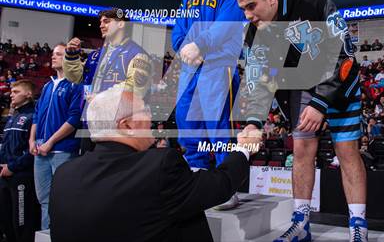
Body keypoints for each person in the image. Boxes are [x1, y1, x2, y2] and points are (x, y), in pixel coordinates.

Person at [235, 0, 368, 242]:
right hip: (299, 89)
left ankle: (358, 226)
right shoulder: (253, 32)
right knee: (302, 151)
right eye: (243, 9)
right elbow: (258, 80)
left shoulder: (315, 3)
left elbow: (344, 54)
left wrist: (320, 103)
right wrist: (253, 121)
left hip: (339, 87)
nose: (248, 15)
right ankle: (301, 223)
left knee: (347, 152)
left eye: (251, 6)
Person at [49, 88, 262, 242]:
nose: (152, 117)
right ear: (127, 125)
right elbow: (221, 185)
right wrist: (243, 148)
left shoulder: (63, 174)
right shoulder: (159, 166)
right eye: (145, 110)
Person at [171, 0, 245, 209]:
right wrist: (184, 49)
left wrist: (200, 46)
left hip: (218, 65)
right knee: (186, 122)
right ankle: (198, 177)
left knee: (218, 126)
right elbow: (178, 32)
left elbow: (227, 24)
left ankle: (228, 188)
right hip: (190, 68)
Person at [63, 8, 152, 152]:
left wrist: (100, 98)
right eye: (100, 22)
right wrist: (72, 57)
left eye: (106, 21)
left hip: (118, 129)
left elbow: (135, 87)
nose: (101, 25)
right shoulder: (95, 55)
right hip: (90, 123)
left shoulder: (137, 54)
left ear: (121, 24)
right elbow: (77, 78)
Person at [28, 44, 84, 230]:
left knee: (63, 199)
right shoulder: (46, 86)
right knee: (44, 200)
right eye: (53, 54)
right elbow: (36, 115)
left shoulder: (76, 85)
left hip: (63, 150)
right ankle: (46, 235)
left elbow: (74, 118)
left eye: (59, 54)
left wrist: (50, 142)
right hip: (40, 151)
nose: (53, 57)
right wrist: (32, 140)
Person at [0, 80, 40, 242]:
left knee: (21, 221)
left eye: (16, 92)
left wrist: (13, 166)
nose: (11, 94)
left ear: (28, 94)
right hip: (5, 175)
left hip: (21, 176)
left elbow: (32, 150)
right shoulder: (12, 118)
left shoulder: (33, 117)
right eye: (11, 91)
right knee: (5, 218)